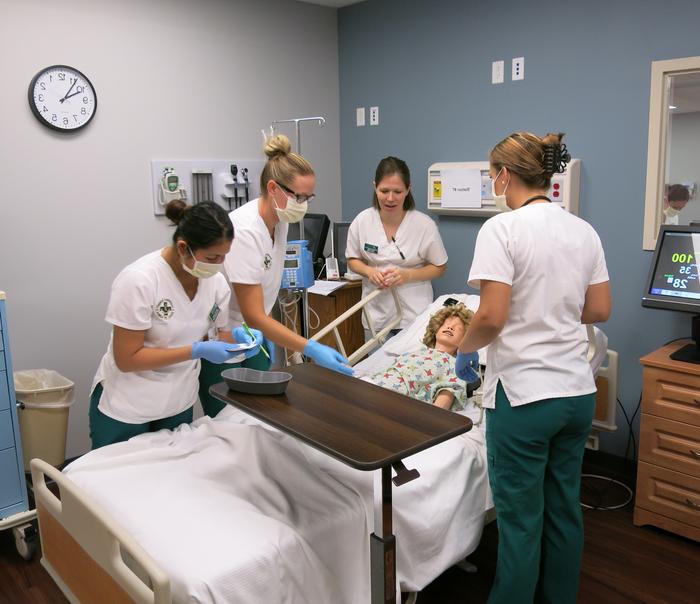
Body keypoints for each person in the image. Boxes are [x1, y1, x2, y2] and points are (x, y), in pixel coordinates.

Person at [455, 132, 611, 604]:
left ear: (505, 175)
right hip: (577, 396)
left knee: (521, 521)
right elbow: (600, 309)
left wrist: (464, 347)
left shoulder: (501, 229)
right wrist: (553, 311)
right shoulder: (583, 230)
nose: (492, 184)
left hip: (525, 400)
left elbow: (490, 316)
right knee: (564, 510)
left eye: (492, 175)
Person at [198, 134, 352, 417]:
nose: (304, 204)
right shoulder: (244, 231)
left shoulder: (279, 222)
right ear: (273, 188)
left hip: (253, 340)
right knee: (228, 429)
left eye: (309, 197)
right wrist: (311, 347)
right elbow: (254, 316)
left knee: (259, 423)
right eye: (299, 196)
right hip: (225, 343)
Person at [90, 200, 261, 449]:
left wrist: (241, 338)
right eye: (212, 257)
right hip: (128, 406)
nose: (218, 264)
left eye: (224, 256)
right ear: (183, 248)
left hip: (177, 404)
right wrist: (194, 351)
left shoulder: (216, 284)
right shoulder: (139, 280)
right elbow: (127, 359)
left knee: (170, 481)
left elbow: (213, 337)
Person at [346, 156, 448, 341]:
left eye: (398, 191)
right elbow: (352, 259)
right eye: (384, 190)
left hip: (414, 312)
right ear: (375, 186)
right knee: (374, 367)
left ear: (408, 189)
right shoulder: (362, 221)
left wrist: (407, 275)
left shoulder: (424, 225)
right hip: (376, 312)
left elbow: (440, 267)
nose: (390, 198)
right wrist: (369, 271)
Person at [365, 303, 478, 412]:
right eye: (446, 323)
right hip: (371, 383)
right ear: (436, 329)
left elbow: (448, 394)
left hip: (394, 397)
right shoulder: (413, 353)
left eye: (459, 328)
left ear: (466, 338)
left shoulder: (456, 365)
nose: (451, 327)